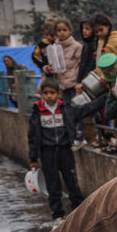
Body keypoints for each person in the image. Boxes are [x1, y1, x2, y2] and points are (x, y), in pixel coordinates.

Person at [27, 78, 108, 219]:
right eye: (45, 93)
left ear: (59, 94)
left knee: (72, 182)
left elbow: (86, 109)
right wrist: (33, 158)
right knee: (53, 185)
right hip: (47, 153)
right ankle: (57, 215)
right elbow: (32, 136)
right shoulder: (37, 112)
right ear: (41, 94)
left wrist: (105, 98)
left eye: (52, 93)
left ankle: (79, 212)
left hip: (65, 150)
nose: (49, 96)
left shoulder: (66, 109)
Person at [51, 18, 82, 101]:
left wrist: (79, 81)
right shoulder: (54, 47)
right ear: (55, 33)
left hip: (73, 84)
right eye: (59, 30)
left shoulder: (76, 46)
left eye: (64, 30)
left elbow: (81, 64)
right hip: (60, 85)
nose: (62, 33)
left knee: (74, 105)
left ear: (70, 31)